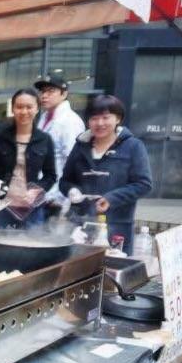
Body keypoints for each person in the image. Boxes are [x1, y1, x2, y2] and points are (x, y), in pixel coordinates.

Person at [60, 95, 152, 254]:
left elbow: (143, 184)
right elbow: (65, 181)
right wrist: (71, 190)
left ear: (118, 118)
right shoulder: (80, 146)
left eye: (105, 117)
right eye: (94, 118)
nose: (100, 123)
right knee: (76, 269)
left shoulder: (133, 146)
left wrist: (111, 198)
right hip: (79, 225)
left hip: (117, 225)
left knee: (111, 268)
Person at [0, 88, 56, 229]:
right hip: (2, 208)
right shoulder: (0, 138)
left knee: (31, 248)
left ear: (37, 109)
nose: (24, 111)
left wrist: (38, 190)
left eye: (29, 107)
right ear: (13, 109)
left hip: (32, 209)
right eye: (19, 107)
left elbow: (50, 176)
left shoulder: (44, 140)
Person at [34, 74, 85, 216]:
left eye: (50, 91)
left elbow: (72, 162)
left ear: (64, 94)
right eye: (42, 92)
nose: (44, 96)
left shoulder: (70, 121)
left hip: (56, 197)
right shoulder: (44, 117)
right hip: (41, 191)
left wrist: (62, 197)